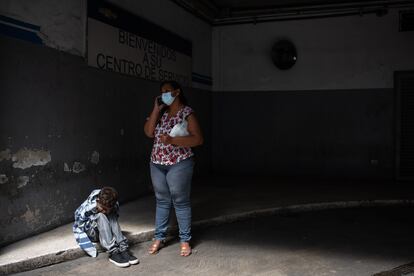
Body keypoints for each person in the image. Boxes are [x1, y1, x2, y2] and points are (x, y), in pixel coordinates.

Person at [144, 80, 203, 257]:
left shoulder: (187, 113)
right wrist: (156, 109)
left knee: (180, 201)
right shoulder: (162, 113)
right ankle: (159, 237)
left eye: (167, 91)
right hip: (157, 163)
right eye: (162, 92)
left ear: (177, 92)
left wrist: (172, 141)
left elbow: (198, 140)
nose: (164, 95)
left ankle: (184, 240)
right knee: (162, 200)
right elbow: (148, 132)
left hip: (179, 162)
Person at [73, 186, 139, 268]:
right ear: (98, 201)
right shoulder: (89, 207)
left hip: (105, 231)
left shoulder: (114, 204)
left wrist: (107, 213)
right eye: (102, 208)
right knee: (100, 215)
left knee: (111, 214)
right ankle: (113, 252)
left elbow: (113, 220)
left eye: (106, 209)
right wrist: (94, 214)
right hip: (91, 232)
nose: (103, 210)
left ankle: (123, 248)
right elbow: (78, 224)